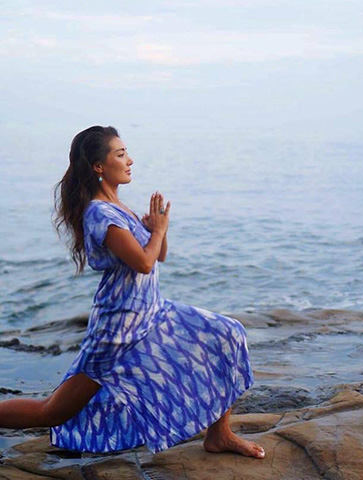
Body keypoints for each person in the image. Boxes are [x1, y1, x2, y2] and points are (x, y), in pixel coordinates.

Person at [0, 125, 265, 459]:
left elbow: (158, 256)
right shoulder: (100, 212)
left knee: (226, 334)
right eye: (121, 154)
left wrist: (157, 229)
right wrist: (159, 232)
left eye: (127, 153)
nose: (130, 160)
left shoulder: (120, 207)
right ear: (99, 166)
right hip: (119, 329)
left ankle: (219, 435)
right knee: (52, 412)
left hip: (152, 314)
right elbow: (142, 263)